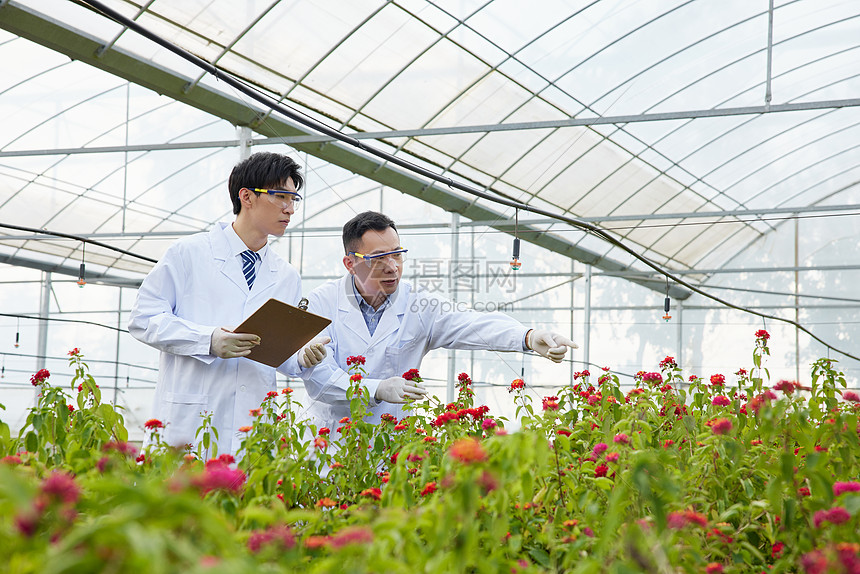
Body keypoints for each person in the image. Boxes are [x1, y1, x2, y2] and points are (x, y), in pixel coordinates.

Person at [300, 210, 576, 436]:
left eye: (397, 254)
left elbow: (471, 324)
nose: (392, 266)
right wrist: (377, 389)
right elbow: (319, 380)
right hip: (335, 449)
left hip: (395, 449)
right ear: (350, 263)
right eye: (378, 258)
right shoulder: (321, 303)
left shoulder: (418, 304)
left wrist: (527, 336)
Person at [128, 152, 328, 456]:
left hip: (254, 424)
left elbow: (274, 353)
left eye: (294, 199)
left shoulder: (285, 275)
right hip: (191, 419)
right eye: (281, 197)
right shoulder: (188, 254)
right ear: (246, 197)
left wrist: (301, 355)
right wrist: (207, 340)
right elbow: (143, 319)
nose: (290, 208)